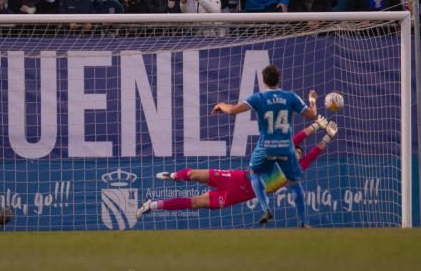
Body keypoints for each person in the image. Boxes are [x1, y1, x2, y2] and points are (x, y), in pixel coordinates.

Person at [137, 118, 337, 217]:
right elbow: (295, 139)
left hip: (240, 195)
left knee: (195, 202)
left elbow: (314, 153)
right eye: (296, 151)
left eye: (300, 154)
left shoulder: (296, 169)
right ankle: (173, 175)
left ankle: (152, 205)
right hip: (236, 178)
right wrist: (315, 126)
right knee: (194, 174)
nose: (298, 154)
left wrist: (328, 136)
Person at [211, 65, 318, 226]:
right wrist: (312, 99)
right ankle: (304, 222)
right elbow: (312, 115)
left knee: (254, 172)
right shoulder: (290, 97)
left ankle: (265, 208)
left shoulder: (258, 98)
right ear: (279, 79)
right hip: (286, 147)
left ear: (263, 81)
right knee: (294, 182)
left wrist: (220, 105)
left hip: (266, 146)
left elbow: (233, 111)